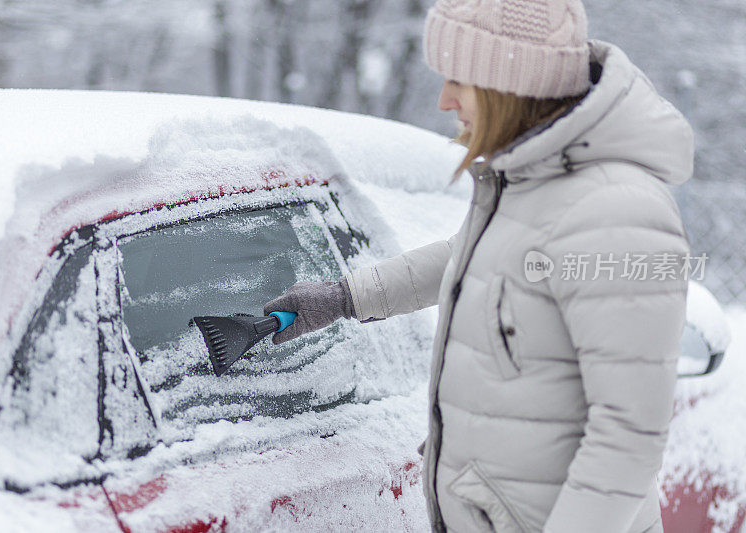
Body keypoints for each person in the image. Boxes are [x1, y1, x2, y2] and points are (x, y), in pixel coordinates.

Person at [264, 0, 693, 531]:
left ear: (509, 85)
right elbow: (466, 260)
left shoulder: (615, 212)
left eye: (459, 81)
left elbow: (629, 439)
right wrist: (344, 298)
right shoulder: (536, 182)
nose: (444, 100)